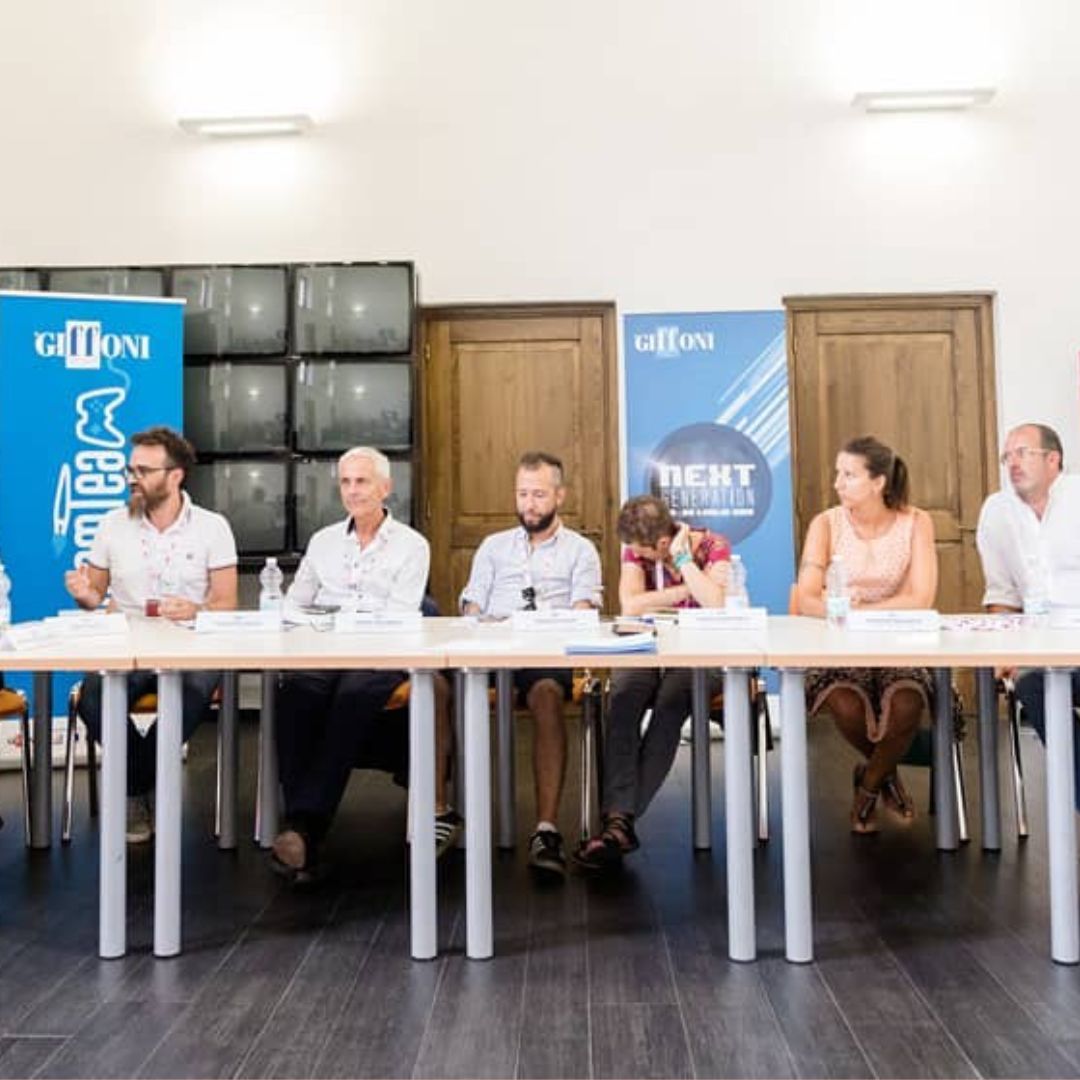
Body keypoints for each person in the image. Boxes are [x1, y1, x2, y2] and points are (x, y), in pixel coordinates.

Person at [271, 447, 457, 883]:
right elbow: (293, 605)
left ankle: (304, 827)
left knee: (352, 698)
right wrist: (323, 622)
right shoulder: (323, 541)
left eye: (362, 481)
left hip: (383, 652)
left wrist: (338, 618)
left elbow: (401, 613)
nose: (353, 491)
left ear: (385, 487)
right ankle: (304, 830)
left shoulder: (412, 546)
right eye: (346, 482)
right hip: (325, 651)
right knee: (295, 693)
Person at [64, 426, 238, 843]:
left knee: (190, 695)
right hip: (128, 642)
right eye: (130, 468)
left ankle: (132, 787)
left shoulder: (212, 527)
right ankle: (138, 790)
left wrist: (196, 609)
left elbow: (227, 603)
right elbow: (95, 595)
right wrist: (86, 595)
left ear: (175, 475)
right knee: (93, 696)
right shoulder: (112, 525)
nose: (132, 477)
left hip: (191, 645)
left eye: (143, 469)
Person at [460, 451, 602, 878]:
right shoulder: (492, 547)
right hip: (491, 648)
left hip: (546, 651)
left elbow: (584, 611)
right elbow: (471, 604)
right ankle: (446, 815)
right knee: (442, 686)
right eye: (523, 494)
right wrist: (480, 620)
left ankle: (545, 829)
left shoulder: (581, 549)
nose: (529, 504)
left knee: (545, 694)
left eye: (539, 494)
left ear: (559, 495)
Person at [573, 495, 730, 870]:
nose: (634, 554)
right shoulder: (635, 553)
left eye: (643, 549)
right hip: (644, 644)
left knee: (670, 705)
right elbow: (630, 605)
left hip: (699, 653)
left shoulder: (713, 545)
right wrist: (684, 592)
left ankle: (618, 820)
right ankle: (620, 824)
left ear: (662, 543)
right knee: (624, 697)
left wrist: (684, 563)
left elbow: (717, 604)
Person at [794, 435, 938, 834]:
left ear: (878, 482)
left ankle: (870, 782)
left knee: (907, 702)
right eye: (837, 474)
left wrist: (860, 613)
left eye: (849, 475)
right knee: (845, 702)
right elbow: (805, 598)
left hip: (899, 643)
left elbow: (921, 597)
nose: (837, 483)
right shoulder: (826, 523)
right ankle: (887, 775)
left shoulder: (917, 521)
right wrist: (838, 610)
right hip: (840, 644)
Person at [976, 422, 1080, 808]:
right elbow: (1001, 592)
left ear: (1053, 459)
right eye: (1008, 456)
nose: (1013, 463)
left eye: (1023, 453)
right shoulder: (997, 511)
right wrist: (1005, 651)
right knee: (1034, 685)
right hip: (1039, 649)